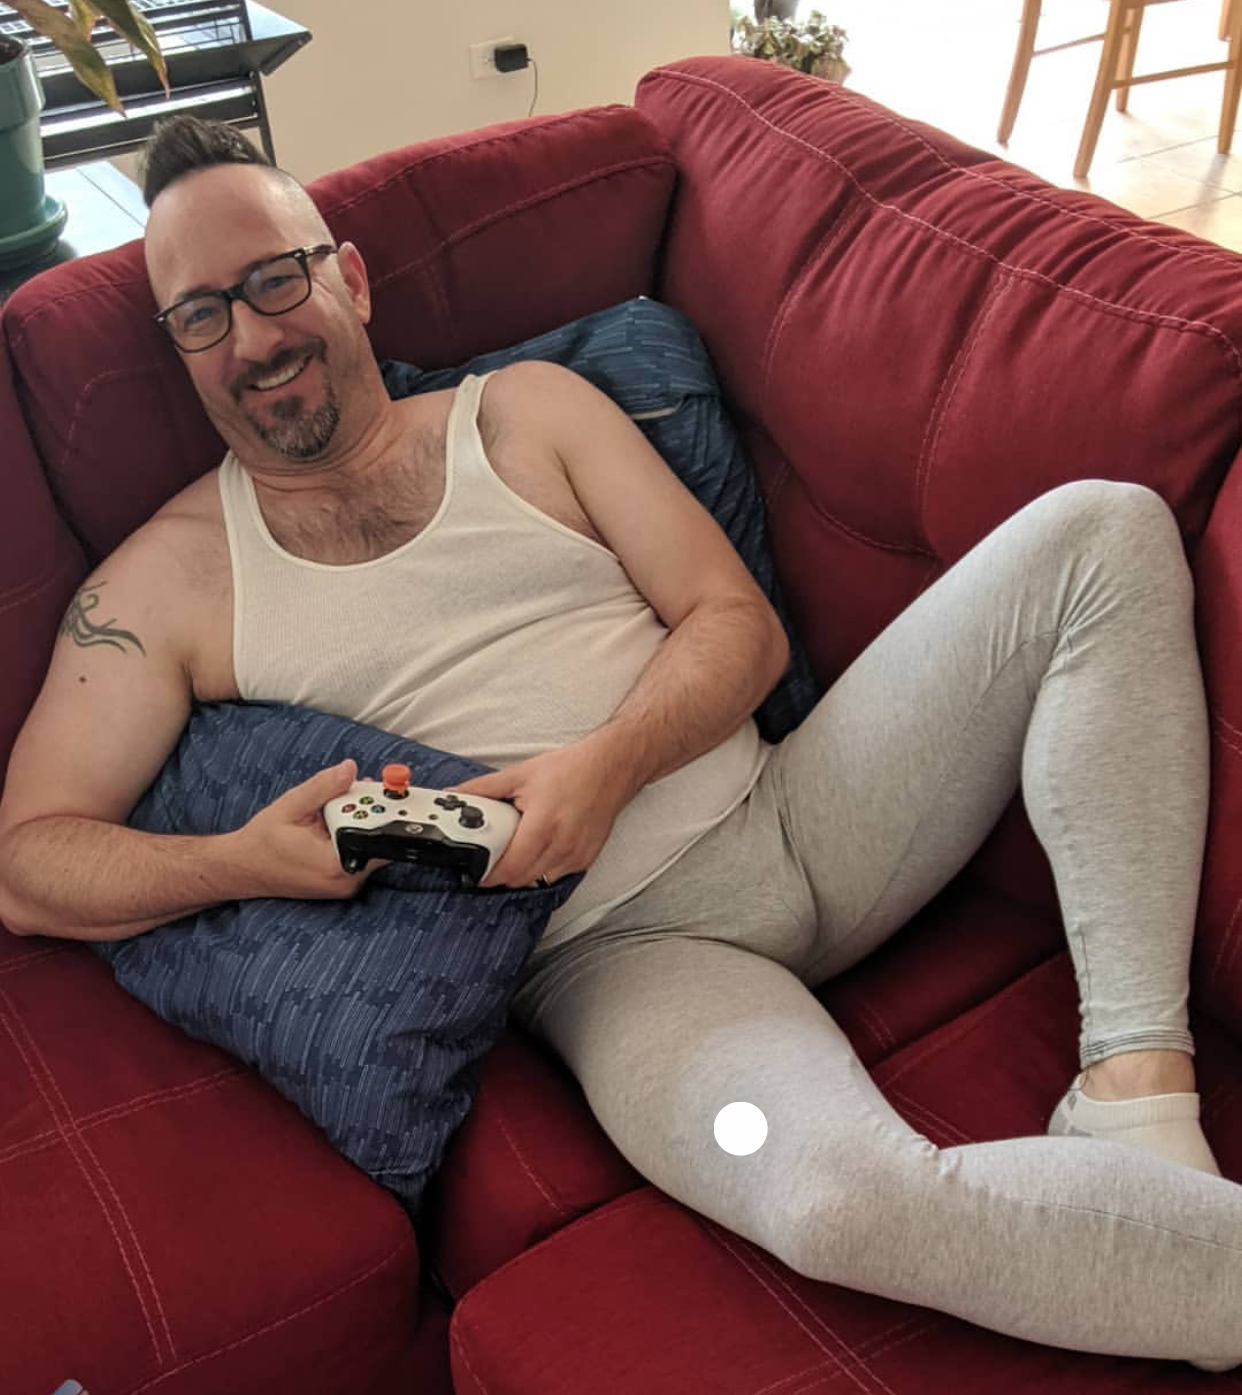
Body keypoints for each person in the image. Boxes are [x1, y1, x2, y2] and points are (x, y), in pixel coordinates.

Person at [0, 115, 1238, 1372]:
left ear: (350, 279)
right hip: (624, 965)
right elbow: (29, 862)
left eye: (276, 279)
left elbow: (735, 626)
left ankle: (1135, 1076)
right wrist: (244, 864)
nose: (254, 337)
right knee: (832, 1199)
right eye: (201, 313)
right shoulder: (165, 582)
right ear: (176, 346)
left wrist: (606, 766)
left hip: (812, 807)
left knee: (1103, 532)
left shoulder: (528, 414)